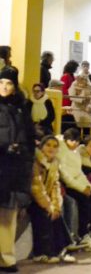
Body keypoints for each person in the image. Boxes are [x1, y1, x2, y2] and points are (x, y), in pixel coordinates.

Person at [0, 67, 35, 273]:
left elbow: (29, 138)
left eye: (8, 83)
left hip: (14, 170)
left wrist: (24, 155)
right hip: (2, 164)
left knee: (8, 216)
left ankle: (7, 259)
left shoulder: (21, 108)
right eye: (1, 83)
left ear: (14, 86)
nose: (4, 87)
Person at [57, 128, 91, 252]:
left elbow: (79, 172)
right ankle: (83, 233)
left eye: (76, 141)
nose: (74, 143)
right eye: (72, 140)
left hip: (77, 183)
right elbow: (65, 176)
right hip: (67, 185)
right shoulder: (61, 153)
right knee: (83, 200)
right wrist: (82, 189)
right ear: (65, 140)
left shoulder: (75, 152)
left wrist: (87, 186)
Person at [29, 135, 76, 264]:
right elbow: (36, 187)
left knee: (57, 214)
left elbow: (55, 186)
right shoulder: (36, 161)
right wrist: (48, 206)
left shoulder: (54, 162)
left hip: (45, 199)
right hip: (31, 199)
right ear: (41, 146)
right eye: (48, 145)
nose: (51, 148)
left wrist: (55, 205)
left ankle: (61, 249)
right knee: (43, 214)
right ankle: (41, 253)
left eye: (55, 146)